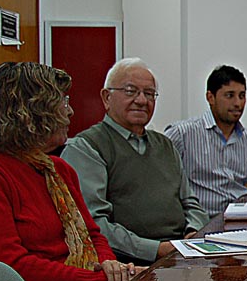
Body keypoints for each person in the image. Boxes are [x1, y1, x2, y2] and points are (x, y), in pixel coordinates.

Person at [0, 62, 143, 281]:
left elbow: (94, 236)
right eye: (62, 101)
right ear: (29, 112)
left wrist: (111, 266)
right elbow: (13, 269)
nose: (70, 111)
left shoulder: (60, 170)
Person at [61, 58, 209, 265]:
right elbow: (93, 223)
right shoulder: (87, 148)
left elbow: (190, 203)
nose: (141, 100)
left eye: (149, 94)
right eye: (130, 91)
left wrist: (194, 231)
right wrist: (155, 249)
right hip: (126, 265)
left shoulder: (166, 146)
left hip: (181, 254)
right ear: (106, 97)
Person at [164, 65, 247, 217]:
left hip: (240, 221)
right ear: (210, 97)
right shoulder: (182, 135)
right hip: (201, 222)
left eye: (242, 96)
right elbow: (162, 186)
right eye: (229, 95)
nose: (238, 103)